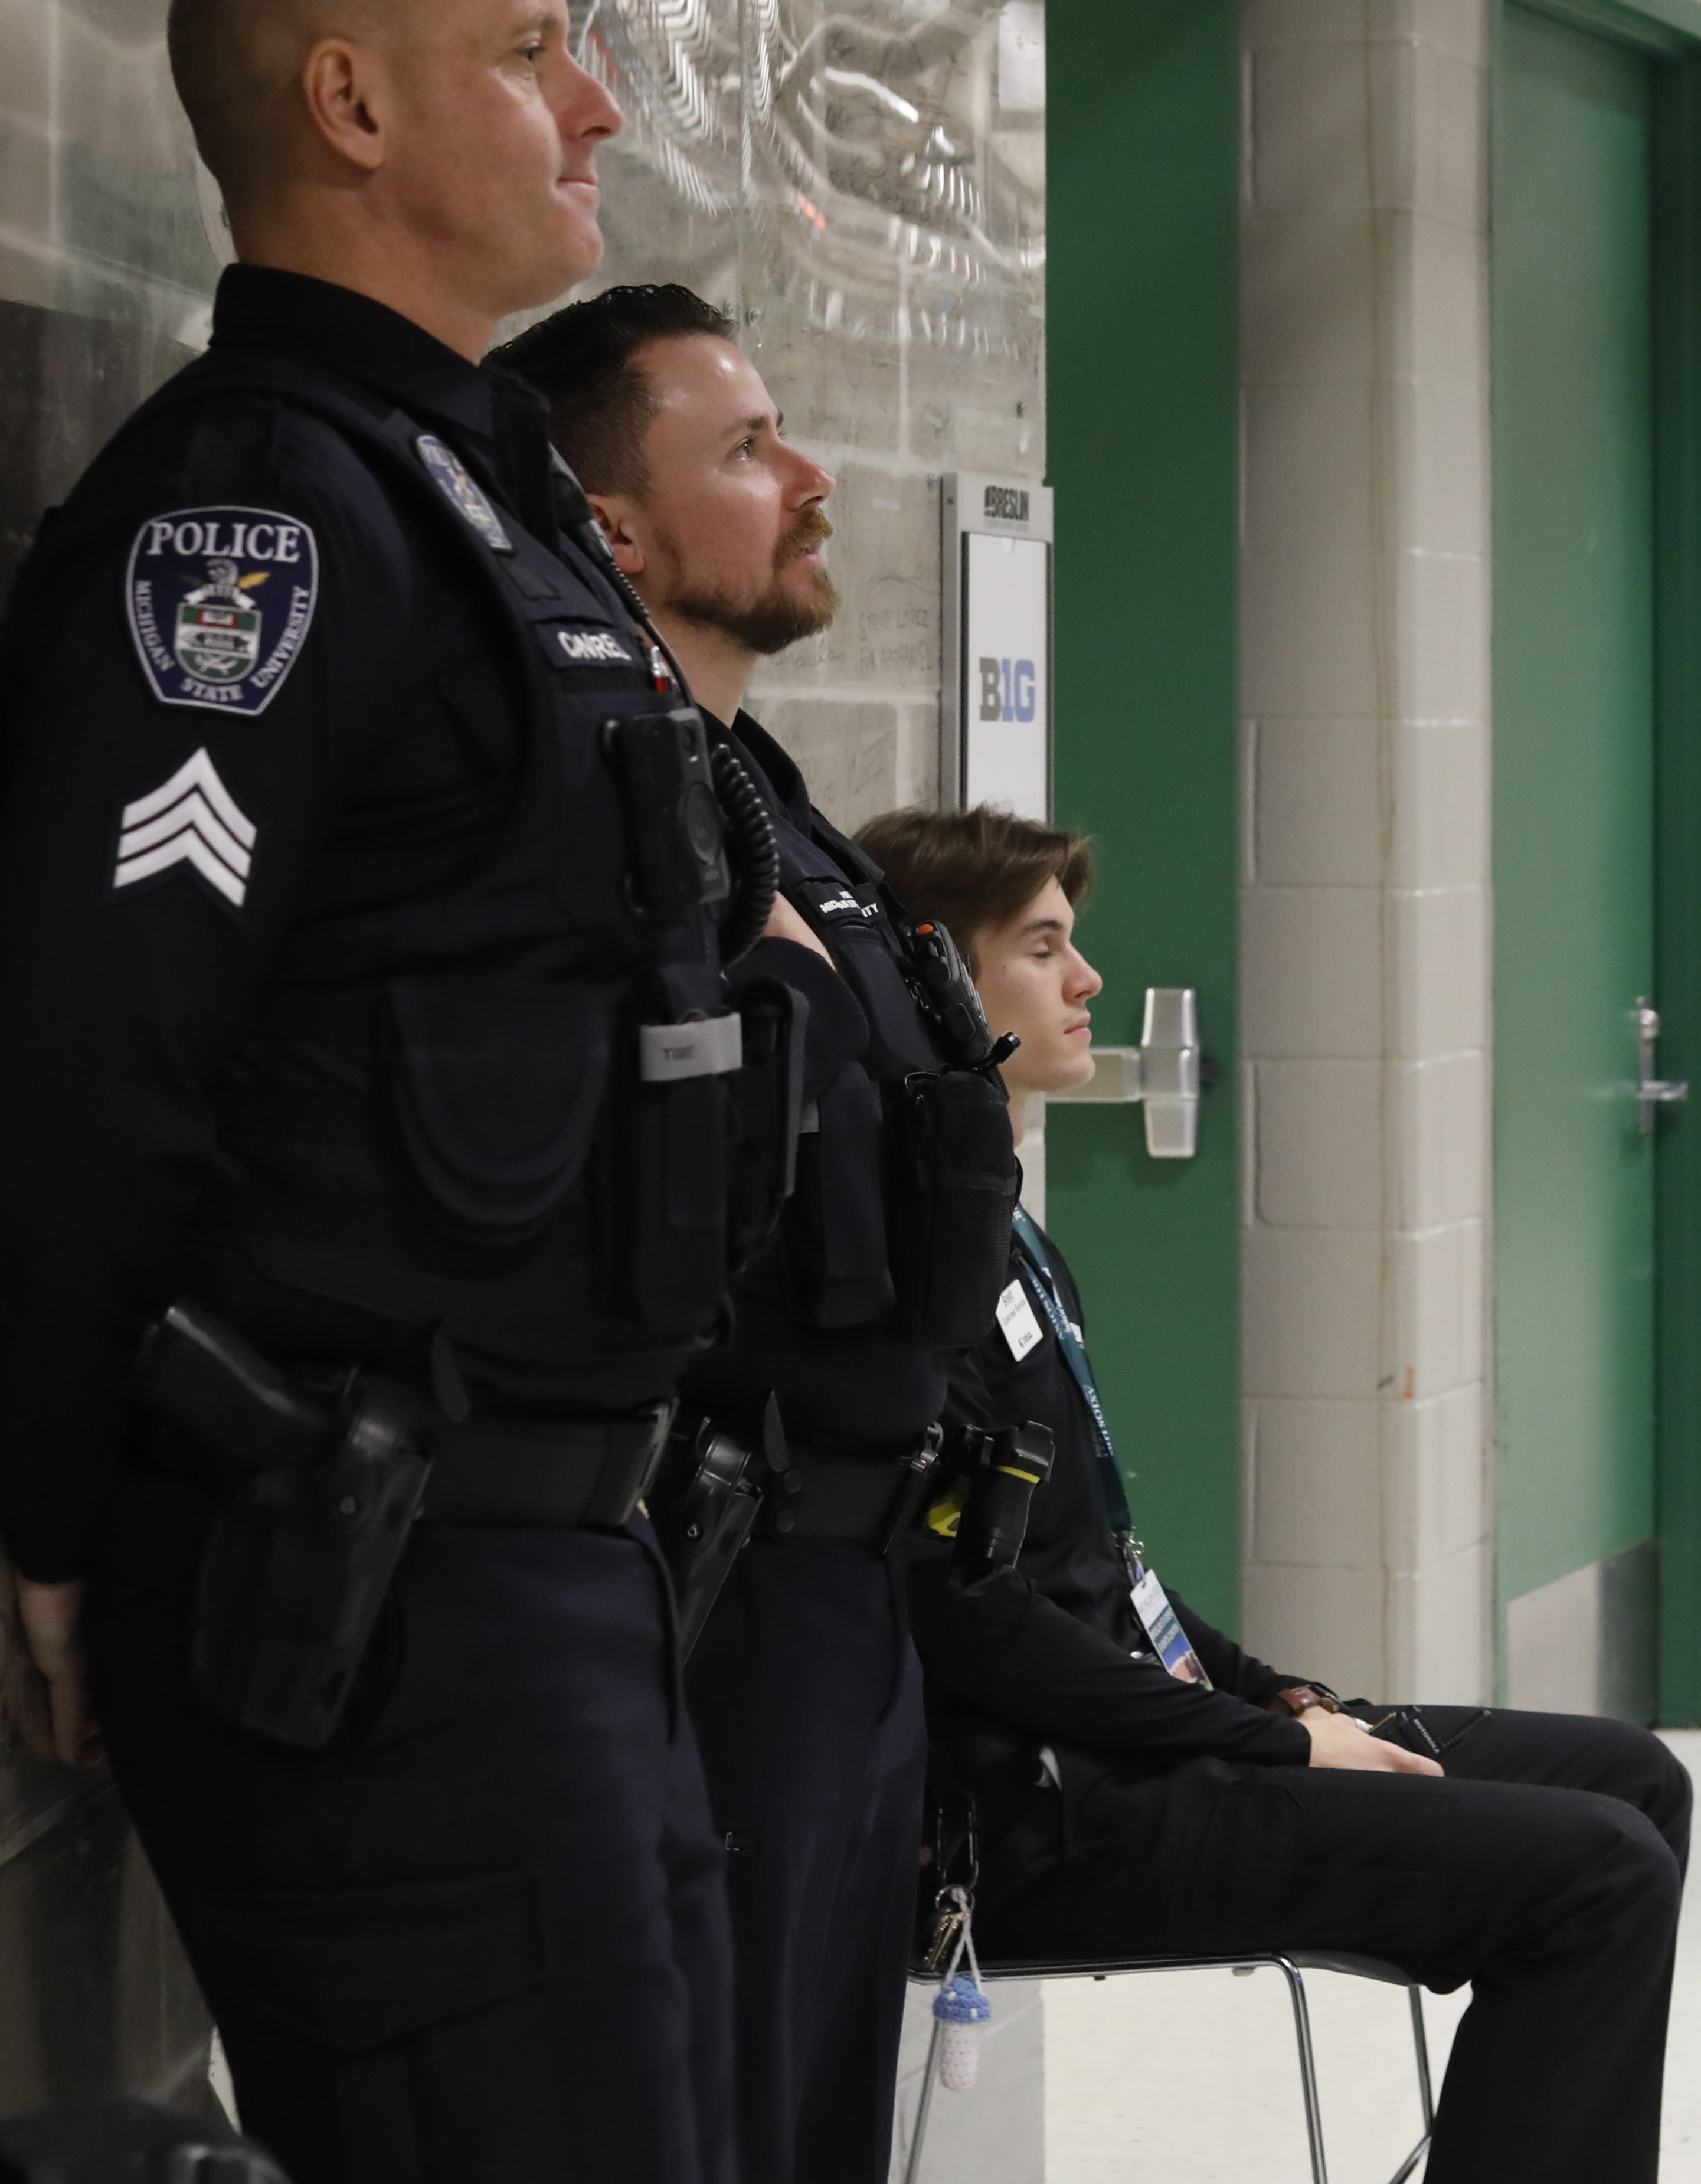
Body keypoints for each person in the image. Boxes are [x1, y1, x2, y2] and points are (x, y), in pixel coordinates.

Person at [0, 0, 753, 2184]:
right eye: (528, 50)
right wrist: (70, 1512)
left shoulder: (464, 488)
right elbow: (92, 1059)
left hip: (563, 1572)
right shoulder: (259, 525)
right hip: (389, 1591)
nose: (595, 104)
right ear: (351, 104)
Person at [856, 806, 1696, 2184]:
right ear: (940, 974)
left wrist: (1281, 1696)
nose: (1089, 983)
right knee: (1595, 1870)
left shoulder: (1011, 1234)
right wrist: (1274, 1749)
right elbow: (978, 1621)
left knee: (1631, 1778)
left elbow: (1106, 1563)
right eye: (1046, 948)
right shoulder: (908, 1267)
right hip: (1039, 1811)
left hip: (1142, 1745)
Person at [495, 285, 1020, 2184]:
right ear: (611, 528)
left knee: (817, 2124)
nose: (811, 481)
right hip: (724, 1576)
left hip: (858, 1585)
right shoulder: (602, 817)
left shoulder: (763, 797)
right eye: (743, 449)